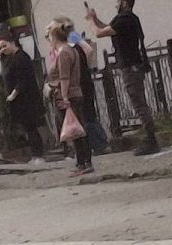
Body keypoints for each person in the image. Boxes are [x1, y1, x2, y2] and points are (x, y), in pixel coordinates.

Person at [86, 0, 158, 155]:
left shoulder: (125, 19)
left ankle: (151, 139)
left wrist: (90, 20)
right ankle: (150, 138)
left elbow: (99, 33)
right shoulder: (126, 19)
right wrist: (96, 18)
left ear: (125, 2)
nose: (115, 4)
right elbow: (108, 28)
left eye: (118, 1)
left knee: (138, 103)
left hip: (130, 67)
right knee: (138, 101)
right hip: (132, 66)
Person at [45, 20, 94, 177]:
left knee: (75, 130)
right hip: (74, 93)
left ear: (55, 37)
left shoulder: (64, 52)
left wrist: (64, 97)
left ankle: (83, 162)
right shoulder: (71, 50)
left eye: (49, 37)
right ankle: (84, 161)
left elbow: (65, 77)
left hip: (69, 95)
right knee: (78, 129)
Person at [55, 15, 109, 155]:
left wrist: (81, 67)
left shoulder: (71, 37)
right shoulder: (70, 40)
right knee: (87, 113)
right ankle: (96, 144)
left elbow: (89, 50)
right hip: (81, 78)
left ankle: (98, 144)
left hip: (79, 80)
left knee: (86, 114)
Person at [0, 34, 47, 164]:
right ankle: (35, 154)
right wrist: (1, 57)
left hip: (27, 99)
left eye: (5, 45)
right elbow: (3, 73)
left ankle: (39, 154)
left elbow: (23, 80)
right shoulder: (9, 59)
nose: (3, 49)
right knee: (27, 128)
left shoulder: (21, 58)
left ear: (13, 42)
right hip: (19, 101)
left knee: (31, 128)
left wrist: (14, 94)